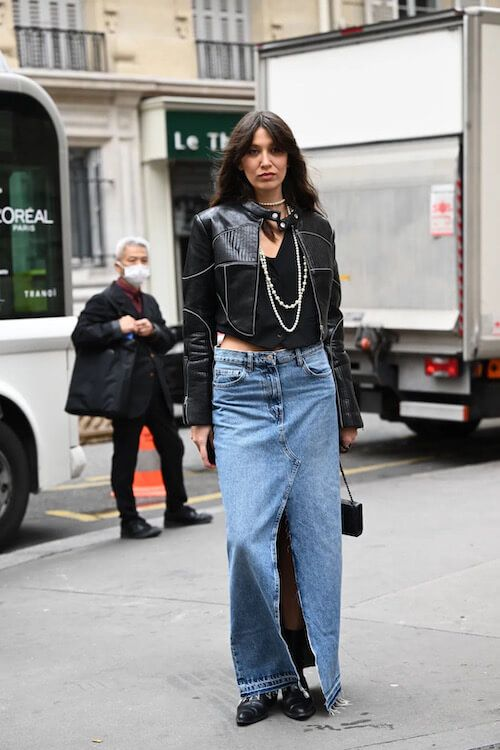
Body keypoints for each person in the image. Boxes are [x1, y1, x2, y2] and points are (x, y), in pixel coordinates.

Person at [183, 111, 363, 726]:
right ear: (238, 162)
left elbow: (332, 323)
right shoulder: (210, 226)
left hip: (310, 385)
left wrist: (345, 406)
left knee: (310, 542)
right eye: (253, 151)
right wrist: (199, 413)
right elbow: (199, 326)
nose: (265, 160)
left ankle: (298, 674)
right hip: (241, 392)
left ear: (290, 159)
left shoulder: (316, 228)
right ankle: (263, 676)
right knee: (247, 541)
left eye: (275, 150)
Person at [72, 236, 212, 539]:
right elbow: (81, 335)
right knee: (126, 455)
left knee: (172, 448)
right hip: (125, 391)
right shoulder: (104, 300)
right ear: (118, 264)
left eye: (143, 261)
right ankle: (129, 519)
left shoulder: (148, 301)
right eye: (132, 260)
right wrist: (115, 327)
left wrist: (153, 330)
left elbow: (166, 340)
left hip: (154, 389)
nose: (139, 266)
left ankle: (176, 508)